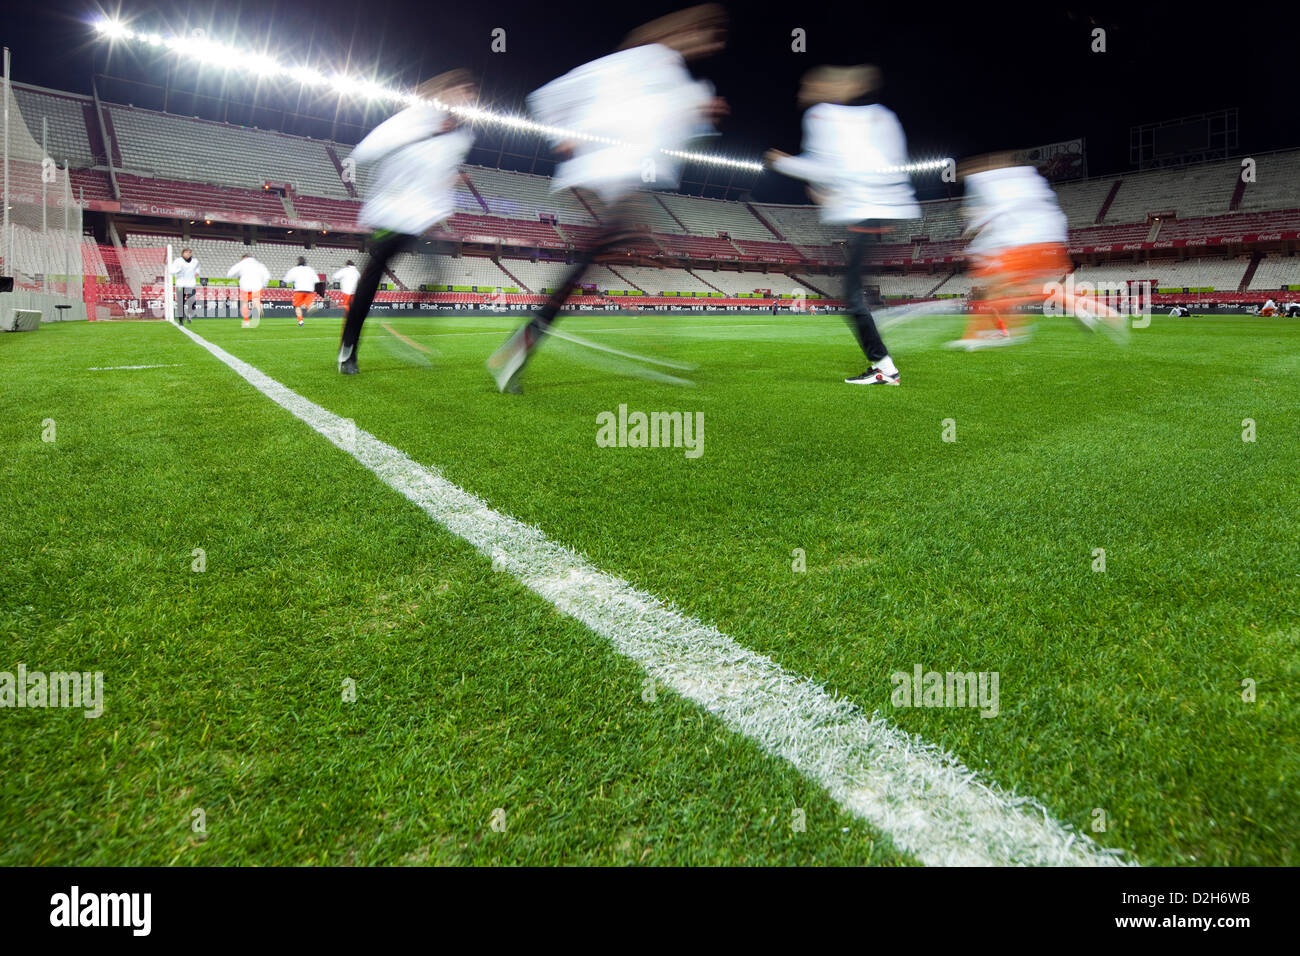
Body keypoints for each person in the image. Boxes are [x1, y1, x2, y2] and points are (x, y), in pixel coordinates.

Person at [486, 4, 728, 392]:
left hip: (626, 183)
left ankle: (524, 343)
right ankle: (525, 343)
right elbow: (551, 95)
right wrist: (564, 134)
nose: (707, 44)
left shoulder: (680, 81)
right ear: (683, 31)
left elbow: (678, 129)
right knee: (636, 254)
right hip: (607, 175)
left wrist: (703, 114)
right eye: (704, 34)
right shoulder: (635, 61)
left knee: (596, 263)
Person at [766, 64, 920, 385]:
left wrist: (785, 163)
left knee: (851, 296)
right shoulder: (882, 116)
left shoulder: (822, 116)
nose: (804, 93)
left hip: (865, 212)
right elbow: (876, 168)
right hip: (878, 211)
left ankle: (885, 367)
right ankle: (883, 360)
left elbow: (827, 169)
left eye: (809, 86)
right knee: (852, 293)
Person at [337, 70, 477, 374]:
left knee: (438, 271)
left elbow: (440, 173)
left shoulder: (460, 138)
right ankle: (349, 346)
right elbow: (367, 150)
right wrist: (417, 136)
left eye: (471, 94)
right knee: (372, 279)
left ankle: (401, 329)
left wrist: (451, 182)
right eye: (464, 90)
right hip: (390, 212)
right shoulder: (415, 118)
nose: (468, 97)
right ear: (446, 92)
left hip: (420, 218)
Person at [227, 253, 271, 328]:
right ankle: (257, 307)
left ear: (244, 258)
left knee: (244, 303)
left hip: (245, 285)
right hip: (257, 285)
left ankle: (246, 321)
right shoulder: (259, 265)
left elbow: (230, 273)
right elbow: (267, 276)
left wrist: (232, 277)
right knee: (256, 300)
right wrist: (264, 284)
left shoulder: (242, 263)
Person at [168, 247, 200, 325]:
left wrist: (197, 272)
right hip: (180, 284)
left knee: (192, 301)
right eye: (186, 252)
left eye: (189, 252)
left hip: (190, 284)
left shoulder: (195, 261)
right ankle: (181, 320)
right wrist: (178, 270)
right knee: (180, 303)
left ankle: (189, 315)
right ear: (182, 253)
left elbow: (198, 269)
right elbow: (171, 271)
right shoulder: (177, 261)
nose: (188, 254)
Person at [283, 256, 319, 326]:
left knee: (297, 306)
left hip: (299, 290)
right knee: (308, 303)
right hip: (309, 290)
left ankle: (300, 321)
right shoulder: (310, 269)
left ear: (297, 262)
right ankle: (310, 306)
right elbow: (316, 280)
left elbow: (287, 279)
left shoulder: (294, 269)